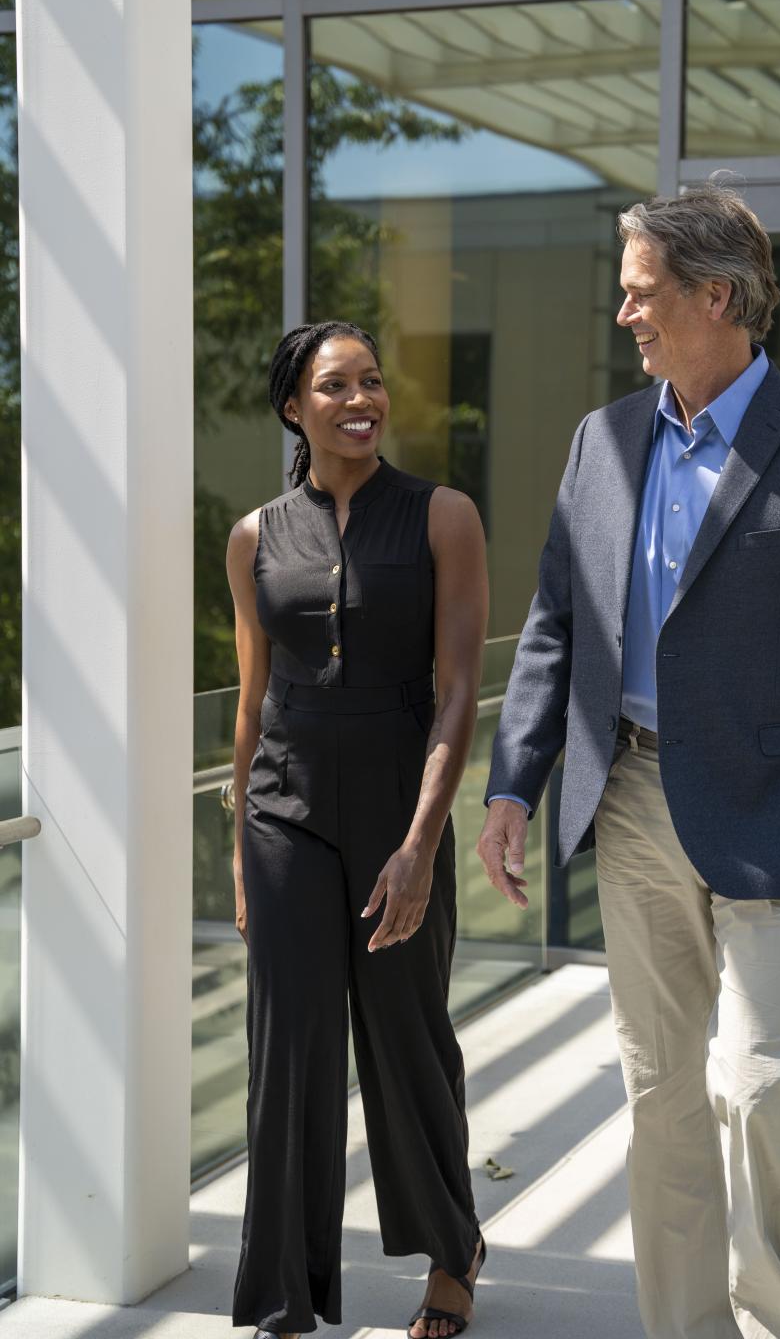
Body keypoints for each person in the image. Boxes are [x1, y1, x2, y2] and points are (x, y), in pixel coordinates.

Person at [477, 187, 780, 1339]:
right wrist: (514, 782)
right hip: (631, 798)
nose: (624, 311)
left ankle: (777, 1326)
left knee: (763, 1091)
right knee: (661, 1095)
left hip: (779, 811)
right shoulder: (603, 441)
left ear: (714, 296)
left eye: (641, 290)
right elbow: (555, 624)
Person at [227, 320, 488, 1339]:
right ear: (296, 407)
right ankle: (287, 1291)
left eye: (372, 382)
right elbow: (250, 703)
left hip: (397, 800)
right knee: (288, 1048)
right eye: (337, 386)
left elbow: (462, 687)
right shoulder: (255, 535)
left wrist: (423, 841)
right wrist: (243, 854)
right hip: (283, 809)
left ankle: (453, 1253)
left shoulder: (442, 517)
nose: (361, 399)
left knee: (409, 1036)